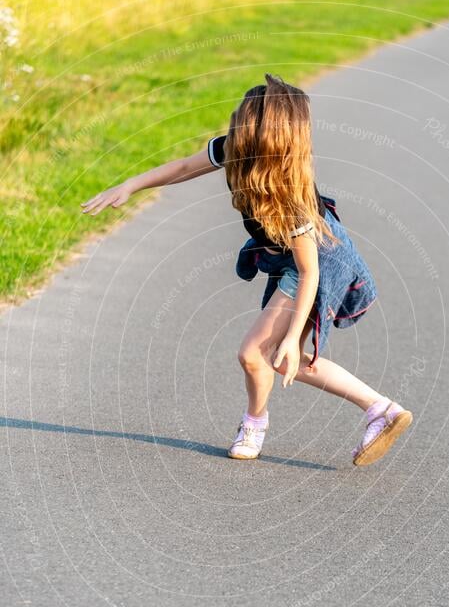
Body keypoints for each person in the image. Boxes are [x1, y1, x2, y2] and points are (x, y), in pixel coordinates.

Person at [81, 73, 412, 465]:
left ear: (266, 141)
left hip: (320, 262)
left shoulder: (294, 200)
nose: (235, 126)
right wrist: (132, 185)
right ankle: (379, 410)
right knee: (269, 355)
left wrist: (291, 338)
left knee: (259, 352)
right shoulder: (237, 150)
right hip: (296, 260)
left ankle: (259, 424)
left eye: (242, 122)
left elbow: (310, 272)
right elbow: (185, 166)